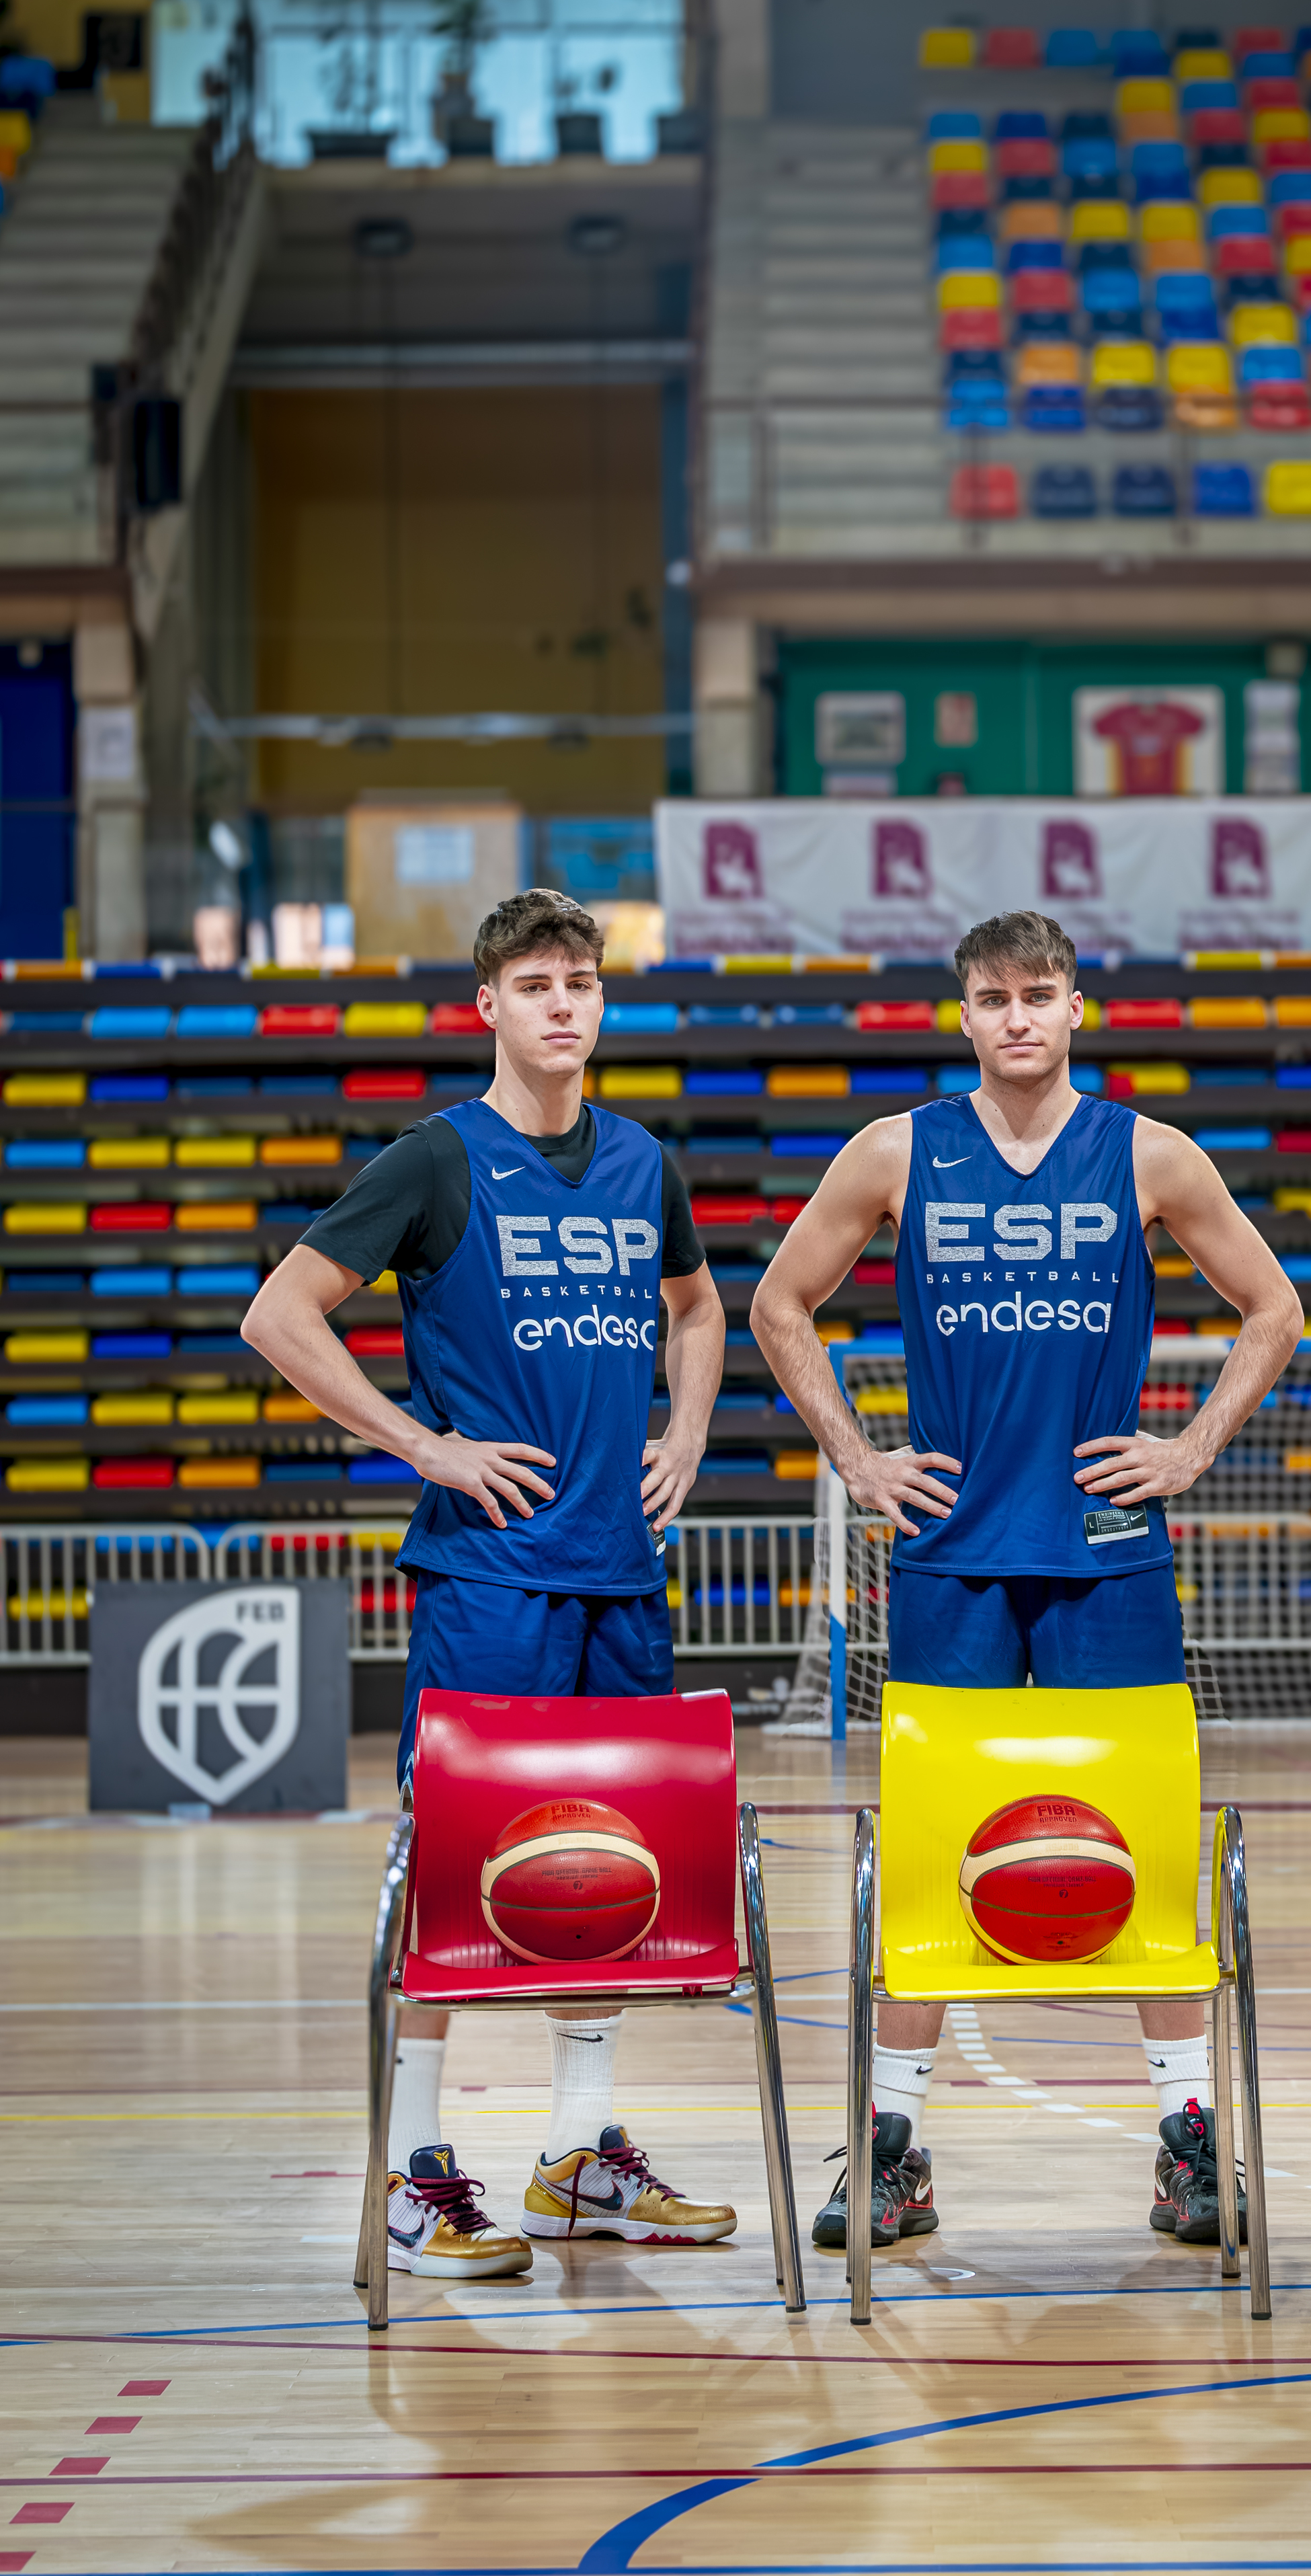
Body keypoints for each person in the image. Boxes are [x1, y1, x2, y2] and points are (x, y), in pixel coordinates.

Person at [751, 908, 1304, 2255]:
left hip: (1106, 1553)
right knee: (933, 1852)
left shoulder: (1149, 1155)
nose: (1016, 1017)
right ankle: (887, 2146)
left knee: (1146, 1843)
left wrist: (1190, 1447)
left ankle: (1186, 2136)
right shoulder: (898, 1152)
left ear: (1075, 1009)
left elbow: (1273, 1308)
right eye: (992, 997)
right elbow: (778, 1303)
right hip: (950, 1554)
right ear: (964, 1016)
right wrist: (858, 1462)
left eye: (1038, 994)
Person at [243, 888, 736, 2284]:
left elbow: (697, 1306)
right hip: (490, 1581)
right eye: (535, 986)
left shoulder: (642, 1160)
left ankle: (581, 2159)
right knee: (455, 1875)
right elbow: (280, 1314)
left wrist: (687, 1430)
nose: (563, 1005)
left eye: (581, 982)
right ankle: (414, 2175)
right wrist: (423, 1445)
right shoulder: (435, 1160)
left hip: (619, 1579)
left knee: (611, 1874)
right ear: (490, 1009)